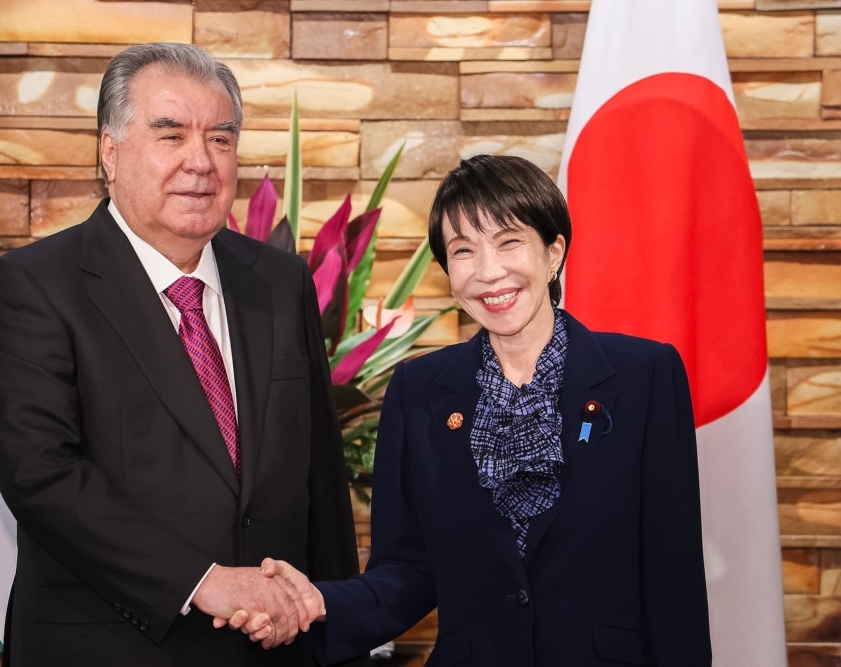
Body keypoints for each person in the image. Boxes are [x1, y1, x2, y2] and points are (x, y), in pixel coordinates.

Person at [0, 43, 360, 666]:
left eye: (221, 139)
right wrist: (203, 581)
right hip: (110, 648)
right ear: (110, 151)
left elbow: (320, 476)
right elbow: (41, 475)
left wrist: (340, 628)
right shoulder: (32, 287)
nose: (200, 162)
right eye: (171, 135)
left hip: (277, 650)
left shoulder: (280, 281)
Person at [249, 154, 712, 665]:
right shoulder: (417, 391)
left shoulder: (644, 375)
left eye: (509, 241)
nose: (489, 272)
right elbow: (408, 570)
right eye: (464, 250)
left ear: (554, 252)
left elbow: (673, 576)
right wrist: (320, 602)